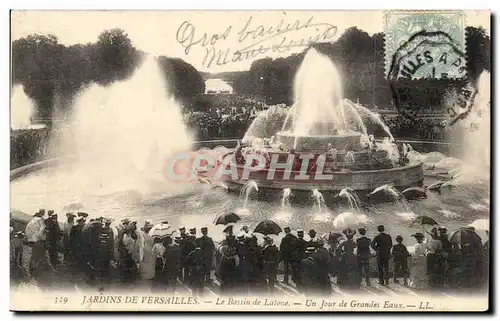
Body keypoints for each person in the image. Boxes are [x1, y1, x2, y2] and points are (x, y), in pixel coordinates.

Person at [24, 209, 46, 277]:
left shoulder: (32, 220)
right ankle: (35, 270)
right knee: (37, 256)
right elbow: (41, 233)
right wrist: (43, 238)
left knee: (33, 255)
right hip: (37, 240)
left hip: (31, 240)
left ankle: (32, 269)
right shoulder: (40, 220)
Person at [96, 218, 115, 291]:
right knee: (106, 266)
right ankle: (106, 282)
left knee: (101, 266)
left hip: (101, 250)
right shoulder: (110, 231)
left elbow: (99, 240)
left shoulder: (101, 230)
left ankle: (101, 281)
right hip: (107, 250)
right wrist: (112, 254)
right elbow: (111, 242)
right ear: (110, 224)